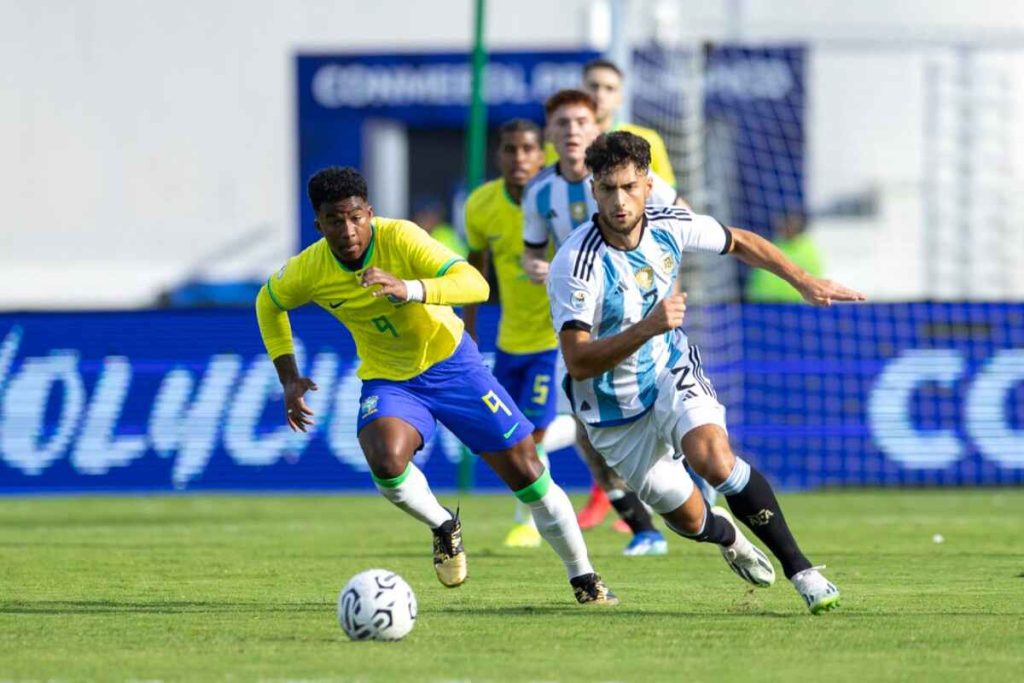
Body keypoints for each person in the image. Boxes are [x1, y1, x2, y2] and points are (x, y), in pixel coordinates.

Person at [255, 166, 616, 605]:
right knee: (385, 461)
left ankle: (584, 576)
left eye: (355, 217)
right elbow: (268, 303)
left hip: (453, 365)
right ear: (319, 224)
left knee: (529, 473)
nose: (347, 230)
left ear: (370, 212)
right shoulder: (309, 268)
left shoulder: (402, 238)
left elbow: (476, 284)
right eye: (334, 220)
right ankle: (444, 525)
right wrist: (288, 377)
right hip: (390, 379)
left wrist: (408, 287)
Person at [547, 131, 865, 613]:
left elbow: (740, 241)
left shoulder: (671, 224)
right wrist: (648, 325)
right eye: (607, 188)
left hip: (669, 371)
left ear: (648, 186)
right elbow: (577, 360)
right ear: (592, 189)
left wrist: (803, 280)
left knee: (714, 458)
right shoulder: (576, 262)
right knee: (692, 519)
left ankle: (802, 572)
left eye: (629, 187)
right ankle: (729, 537)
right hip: (613, 413)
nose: (619, 200)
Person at [522, 89, 681, 557]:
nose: (571, 131)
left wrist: (662, 286)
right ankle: (644, 528)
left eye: (580, 123)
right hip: (578, 324)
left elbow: (681, 225)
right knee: (587, 426)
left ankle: (699, 477)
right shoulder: (540, 192)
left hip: (640, 317)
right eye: (562, 124)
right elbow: (534, 250)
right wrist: (536, 267)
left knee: (662, 412)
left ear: (596, 129)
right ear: (550, 134)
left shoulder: (635, 181)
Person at [462, 119, 555, 549]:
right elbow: (475, 271)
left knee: (530, 436)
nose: (519, 158)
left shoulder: (559, 198)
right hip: (509, 341)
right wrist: (468, 331)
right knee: (515, 434)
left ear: (542, 154)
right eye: (510, 149)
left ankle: (529, 521)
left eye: (528, 149)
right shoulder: (480, 205)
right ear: (499, 155)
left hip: (557, 339)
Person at [544, 58, 676, 187]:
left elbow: (669, 198)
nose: (600, 95)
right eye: (593, 86)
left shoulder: (648, 140)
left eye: (609, 88)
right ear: (580, 92)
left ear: (620, 98)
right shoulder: (557, 144)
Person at [745, 212, 825, 302]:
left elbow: (812, 281)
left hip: (793, 305)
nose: (783, 227)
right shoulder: (772, 244)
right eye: (783, 223)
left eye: (789, 224)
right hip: (761, 303)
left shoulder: (807, 251)